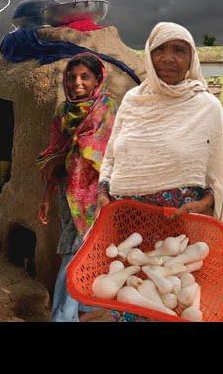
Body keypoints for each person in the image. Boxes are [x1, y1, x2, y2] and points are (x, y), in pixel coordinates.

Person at [95, 21, 223, 322]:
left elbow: (218, 174)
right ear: (149, 57)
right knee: (129, 299)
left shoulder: (206, 107)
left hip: (179, 231)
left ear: (192, 58)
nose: (168, 58)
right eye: (159, 50)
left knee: (177, 303)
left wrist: (206, 204)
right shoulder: (134, 101)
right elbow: (111, 155)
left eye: (179, 50)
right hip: (129, 227)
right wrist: (102, 192)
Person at [36, 53, 117, 322]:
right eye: (71, 77)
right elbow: (54, 158)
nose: (76, 83)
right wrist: (46, 197)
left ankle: (62, 315)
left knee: (76, 254)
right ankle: (79, 310)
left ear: (97, 79)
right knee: (78, 252)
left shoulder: (105, 108)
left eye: (85, 77)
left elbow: (98, 153)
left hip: (96, 196)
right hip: (68, 195)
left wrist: (65, 154)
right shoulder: (63, 111)